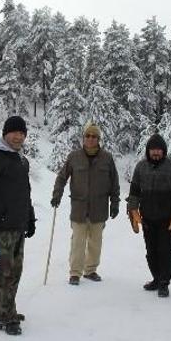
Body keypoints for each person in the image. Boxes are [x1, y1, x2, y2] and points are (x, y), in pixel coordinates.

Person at [0, 116, 36, 336]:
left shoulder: (21, 160)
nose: (19, 136)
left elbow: (25, 193)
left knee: (12, 270)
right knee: (4, 272)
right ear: (5, 133)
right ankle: (6, 315)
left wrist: (30, 218)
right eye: (14, 132)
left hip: (18, 225)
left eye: (22, 133)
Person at [51, 122, 121, 285]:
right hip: (79, 208)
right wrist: (57, 194)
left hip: (99, 208)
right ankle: (75, 273)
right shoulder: (74, 157)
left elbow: (114, 183)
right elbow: (62, 177)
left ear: (98, 139)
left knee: (96, 242)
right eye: (87, 136)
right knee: (78, 242)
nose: (90, 139)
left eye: (94, 136)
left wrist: (115, 203)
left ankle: (90, 270)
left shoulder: (107, 158)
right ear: (83, 138)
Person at [126, 133, 171, 298]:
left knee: (165, 251)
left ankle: (164, 283)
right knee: (151, 252)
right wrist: (133, 210)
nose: (156, 153)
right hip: (148, 219)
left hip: (167, 220)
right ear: (148, 151)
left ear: (164, 151)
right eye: (153, 149)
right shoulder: (140, 167)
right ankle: (156, 278)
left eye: (159, 150)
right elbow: (134, 193)